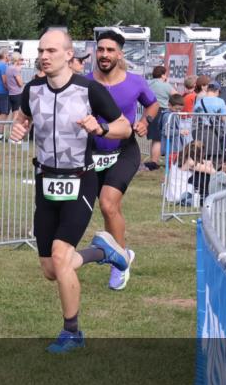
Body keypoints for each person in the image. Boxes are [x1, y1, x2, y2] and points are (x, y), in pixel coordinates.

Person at [9, 29, 132, 353]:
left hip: (80, 181)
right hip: (45, 182)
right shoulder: (32, 89)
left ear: (68, 54)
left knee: (62, 256)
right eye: (41, 51)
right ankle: (103, 252)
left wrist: (101, 128)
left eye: (51, 51)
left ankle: (72, 332)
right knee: (51, 269)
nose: (44, 56)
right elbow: (22, 118)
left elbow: (125, 127)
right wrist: (19, 128)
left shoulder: (89, 90)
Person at [88, 30, 159, 291]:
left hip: (124, 151)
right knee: (108, 208)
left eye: (110, 50)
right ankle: (122, 252)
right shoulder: (84, 82)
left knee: (108, 204)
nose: (104, 54)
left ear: (119, 54)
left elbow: (153, 105)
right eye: (100, 49)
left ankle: (120, 266)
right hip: (93, 152)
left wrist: (145, 121)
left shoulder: (135, 82)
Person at [164, 141, 215, 206]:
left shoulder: (180, 157)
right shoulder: (190, 163)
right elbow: (212, 171)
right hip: (182, 194)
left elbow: (206, 162)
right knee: (203, 175)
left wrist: (208, 163)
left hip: (172, 194)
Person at [145, 65, 175, 170]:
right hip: (161, 111)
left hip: (149, 111)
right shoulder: (165, 85)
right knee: (158, 139)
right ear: (163, 75)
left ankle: (153, 160)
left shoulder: (148, 83)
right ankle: (154, 162)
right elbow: (176, 96)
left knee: (154, 138)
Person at [4, 53, 25, 130]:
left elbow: (5, 81)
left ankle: (10, 129)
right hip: (17, 93)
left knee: (12, 113)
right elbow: (20, 83)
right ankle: (13, 130)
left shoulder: (8, 68)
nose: (21, 61)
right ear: (17, 60)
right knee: (16, 114)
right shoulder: (15, 69)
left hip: (10, 93)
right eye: (20, 59)